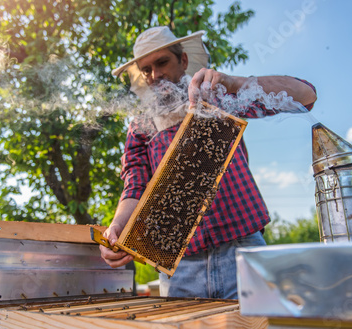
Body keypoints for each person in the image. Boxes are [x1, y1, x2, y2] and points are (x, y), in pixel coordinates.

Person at [100, 26, 317, 299]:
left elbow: (305, 95)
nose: (155, 75)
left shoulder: (218, 96)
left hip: (242, 252)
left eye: (162, 62)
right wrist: (118, 225)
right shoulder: (140, 126)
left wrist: (234, 83)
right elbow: (135, 184)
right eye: (146, 70)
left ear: (184, 61)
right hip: (179, 267)